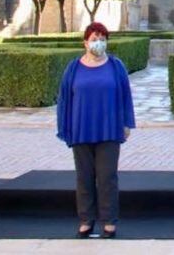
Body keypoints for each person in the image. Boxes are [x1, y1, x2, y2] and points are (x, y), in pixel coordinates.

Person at [57, 22, 136, 238]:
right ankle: (86, 220)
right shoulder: (74, 67)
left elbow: (125, 96)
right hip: (81, 128)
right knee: (84, 177)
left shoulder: (115, 66)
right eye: (94, 38)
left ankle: (109, 221)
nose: (98, 43)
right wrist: (65, 127)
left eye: (102, 39)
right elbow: (65, 98)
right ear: (85, 42)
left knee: (107, 177)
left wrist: (127, 123)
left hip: (109, 128)